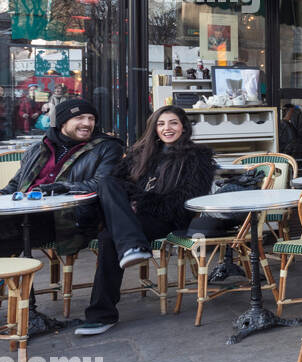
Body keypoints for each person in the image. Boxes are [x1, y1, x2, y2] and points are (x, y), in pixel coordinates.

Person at [0, 98, 155, 324]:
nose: (87, 123)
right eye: (80, 118)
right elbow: (15, 186)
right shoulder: (38, 148)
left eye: (91, 119)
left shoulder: (106, 147)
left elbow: (102, 184)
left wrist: (63, 187)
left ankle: (26, 311)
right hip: (26, 217)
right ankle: (22, 307)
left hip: (72, 220)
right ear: (62, 122)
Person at [76, 107, 220, 337]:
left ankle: (101, 315)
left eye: (173, 123)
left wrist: (141, 202)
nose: (167, 128)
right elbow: (115, 183)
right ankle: (132, 245)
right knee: (106, 183)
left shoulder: (198, 158)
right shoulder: (139, 153)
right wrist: (131, 200)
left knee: (108, 238)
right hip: (131, 217)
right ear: (154, 128)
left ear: (183, 126)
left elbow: (186, 200)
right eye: (161, 124)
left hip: (165, 217)